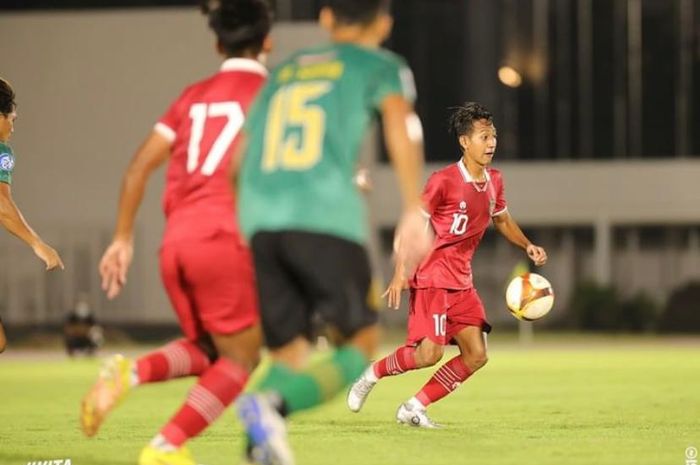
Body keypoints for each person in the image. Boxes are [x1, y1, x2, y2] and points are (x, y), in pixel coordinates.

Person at [234, 1, 432, 464]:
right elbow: (401, 122)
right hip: (323, 218)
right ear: (383, 23)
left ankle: (264, 438)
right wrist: (411, 207)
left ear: (326, 18)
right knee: (360, 344)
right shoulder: (381, 64)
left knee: (289, 349)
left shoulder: (282, 73)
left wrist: (247, 220)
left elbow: (237, 161)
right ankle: (272, 406)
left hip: (261, 222)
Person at [79, 2, 272, 464]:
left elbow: (138, 168)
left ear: (217, 44)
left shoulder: (193, 96)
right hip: (224, 240)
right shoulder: (270, 94)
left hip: (177, 243)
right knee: (243, 359)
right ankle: (167, 445)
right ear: (268, 41)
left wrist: (123, 238)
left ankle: (131, 373)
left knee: (211, 350)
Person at [347, 102, 548, 427]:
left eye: (493, 136)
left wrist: (527, 245)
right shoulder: (443, 181)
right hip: (431, 277)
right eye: (484, 136)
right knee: (429, 354)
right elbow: (413, 223)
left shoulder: (495, 181)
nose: (492, 143)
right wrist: (400, 272)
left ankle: (413, 407)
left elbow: (502, 219)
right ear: (465, 142)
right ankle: (371, 373)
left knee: (476, 355)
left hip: (461, 281)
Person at [0, 78, 64, 354]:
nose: (13, 127)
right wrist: (38, 244)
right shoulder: (3, 152)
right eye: (12, 119)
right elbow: (1, 202)